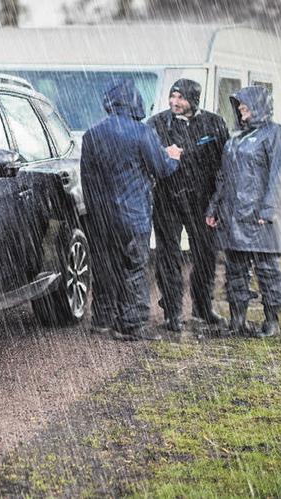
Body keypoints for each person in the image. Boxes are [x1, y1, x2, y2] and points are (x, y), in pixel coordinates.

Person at [81, 79, 179, 341]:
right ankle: (131, 325)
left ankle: (102, 319)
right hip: (133, 215)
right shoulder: (142, 132)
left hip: (100, 216)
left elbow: (87, 179)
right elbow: (161, 168)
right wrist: (173, 157)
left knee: (105, 268)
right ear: (134, 101)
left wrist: (94, 212)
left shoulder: (91, 134)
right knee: (134, 269)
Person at [205, 85, 281, 338]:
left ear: (259, 107)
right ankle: (237, 321)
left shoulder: (276, 134)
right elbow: (224, 177)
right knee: (235, 270)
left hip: (259, 215)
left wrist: (268, 208)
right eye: (240, 109)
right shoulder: (236, 139)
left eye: (246, 108)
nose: (242, 114)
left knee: (268, 270)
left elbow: (277, 175)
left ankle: (272, 321)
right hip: (233, 214)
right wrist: (215, 207)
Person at [147, 79, 230, 333]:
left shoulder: (214, 124)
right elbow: (148, 158)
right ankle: (172, 311)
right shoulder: (157, 124)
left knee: (206, 254)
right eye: (173, 96)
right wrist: (164, 154)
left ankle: (203, 306)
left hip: (202, 201)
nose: (175, 102)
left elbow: (223, 166)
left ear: (194, 99)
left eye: (181, 98)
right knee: (167, 255)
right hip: (167, 199)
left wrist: (217, 203)